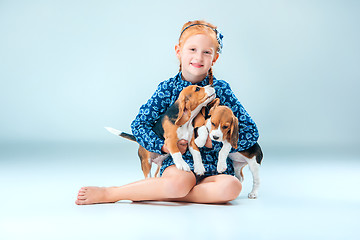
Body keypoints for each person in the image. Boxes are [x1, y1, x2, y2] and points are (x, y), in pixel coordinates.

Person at [75, 20, 259, 205]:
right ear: (179, 51)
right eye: (192, 50)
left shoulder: (221, 89)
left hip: (216, 169)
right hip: (179, 166)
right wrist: (164, 147)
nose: (199, 57)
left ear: (214, 58)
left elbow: (251, 132)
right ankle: (112, 193)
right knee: (178, 184)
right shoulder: (168, 89)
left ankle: (159, 193)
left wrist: (218, 142)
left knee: (232, 187)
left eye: (206, 52)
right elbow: (139, 125)